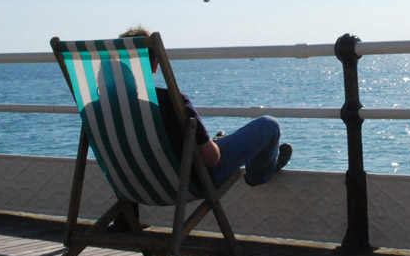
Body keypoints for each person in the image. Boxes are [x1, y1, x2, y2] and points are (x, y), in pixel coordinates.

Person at [121, 26, 292, 188]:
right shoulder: (172, 101)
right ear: (155, 65)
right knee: (269, 125)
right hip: (187, 183)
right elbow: (211, 159)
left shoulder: (100, 109)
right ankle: (259, 175)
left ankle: (217, 141)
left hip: (135, 183)